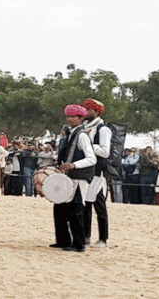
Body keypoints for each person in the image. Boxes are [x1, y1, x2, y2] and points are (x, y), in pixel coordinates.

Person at [51, 104, 96, 253]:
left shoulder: (82, 135)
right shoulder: (70, 134)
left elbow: (91, 158)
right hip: (68, 177)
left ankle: (79, 243)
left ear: (80, 118)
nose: (70, 119)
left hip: (78, 177)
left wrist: (74, 165)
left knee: (76, 210)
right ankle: (64, 240)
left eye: (73, 116)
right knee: (62, 209)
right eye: (68, 116)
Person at [81, 98, 111, 249]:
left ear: (96, 112)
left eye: (90, 110)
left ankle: (103, 239)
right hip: (86, 171)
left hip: (98, 172)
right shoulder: (85, 128)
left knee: (99, 206)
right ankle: (86, 236)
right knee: (85, 204)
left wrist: (89, 146)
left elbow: (105, 152)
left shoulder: (103, 129)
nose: (87, 113)